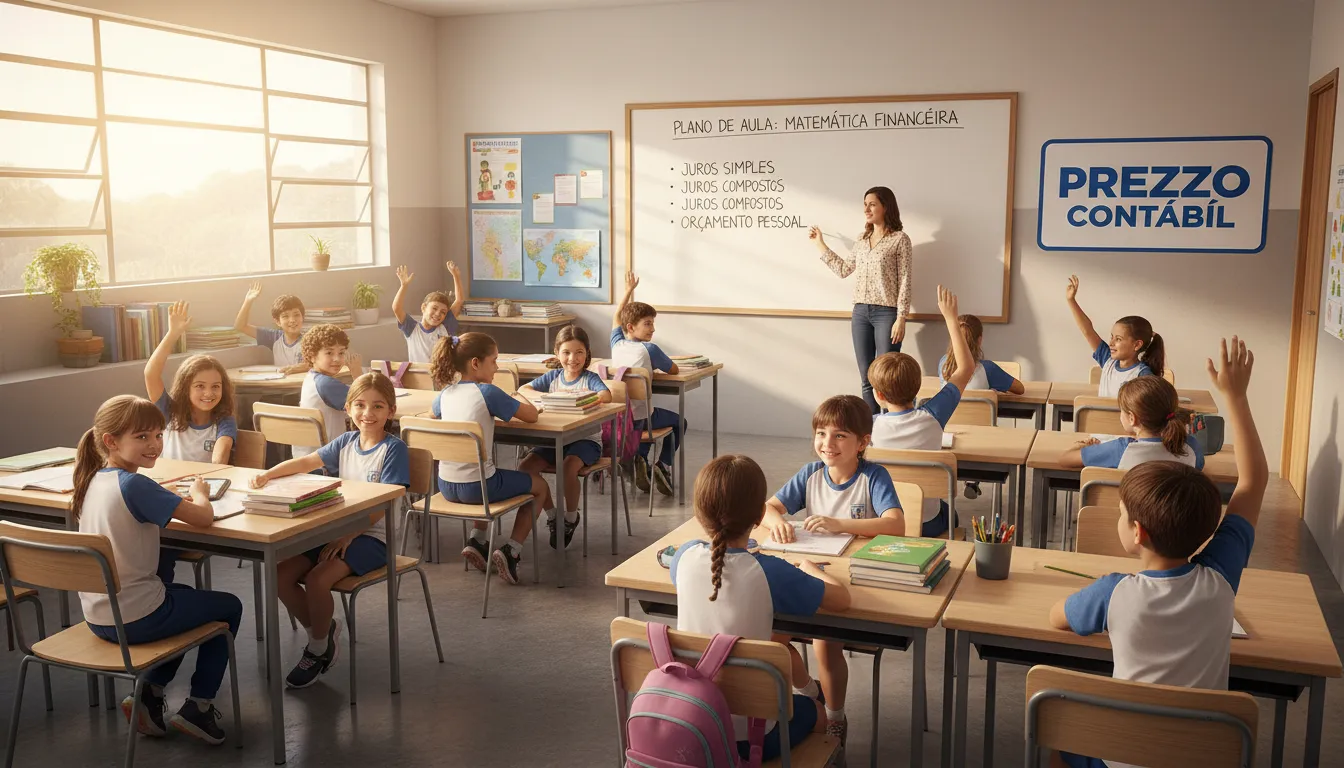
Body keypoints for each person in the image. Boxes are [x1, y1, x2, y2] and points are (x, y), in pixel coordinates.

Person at [1048, 337, 1266, 768]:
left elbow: (1058, 616)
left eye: (1121, 512)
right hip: (1206, 758)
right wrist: (1237, 398)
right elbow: (1254, 482)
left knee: (1062, 739)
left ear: (1138, 532)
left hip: (1122, 758)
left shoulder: (1113, 592)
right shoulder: (1221, 578)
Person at [72, 395, 242, 745]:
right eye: (142, 437)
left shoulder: (92, 479)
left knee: (186, 597)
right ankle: (198, 706)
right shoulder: (136, 485)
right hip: (136, 618)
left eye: (158, 435)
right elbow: (203, 517)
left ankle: (149, 694)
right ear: (111, 441)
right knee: (229, 607)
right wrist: (199, 492)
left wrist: (162, 495)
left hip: (99, 616)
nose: (154, 444)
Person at [670, 454, 849, 762]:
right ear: (758, 517)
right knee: (817, 711)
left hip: (693, 725)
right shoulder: (769, 572)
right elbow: (841, 600)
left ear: (699, 513)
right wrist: (809, 568)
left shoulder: (683, 557)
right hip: (751, 736)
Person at [760, 394, 903, 749]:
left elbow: (896, 525)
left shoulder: (873, 476)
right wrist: (777, 522)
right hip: (812, 572)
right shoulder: (810, 474)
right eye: (821, 433)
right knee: (772, 641)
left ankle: (835, 717)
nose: (828, 443)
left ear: (862, 442)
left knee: (824, 643)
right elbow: (767, 508)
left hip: (851, 580)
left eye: (840, 435)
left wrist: (840, 524)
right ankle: (812, 692)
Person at [248, 372, 407, 688]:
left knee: (318, 580)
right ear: (347, 408)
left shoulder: (394, 449)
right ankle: (322, 631)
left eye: (377, 406)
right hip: (336, 532)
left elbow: (384, 505)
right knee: (279, 575)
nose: (368, 413)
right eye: (360, 405)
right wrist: (269, 474)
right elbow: (306, 462)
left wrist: (348, 535)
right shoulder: (346, 442)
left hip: (374, 537)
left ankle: (317, 649)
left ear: (391, 411)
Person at [430, 332, 554, 584]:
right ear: (476, 363)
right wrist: (517, 396)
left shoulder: (445, 394)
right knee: (540, 486)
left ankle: (478, 539)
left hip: (446, 486)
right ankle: (512, 551)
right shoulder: (488, 392)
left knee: (485, 470)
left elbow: (434, 415)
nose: (497, 367)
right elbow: (531, 416)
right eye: (494, 361)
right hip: (478, 489)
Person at [144, 300, 238, 583]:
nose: (208, 393)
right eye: (199, 386)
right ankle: (154, 591)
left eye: (215, 387)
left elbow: (221, 455)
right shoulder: (169, 411)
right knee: (148, 540)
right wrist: (173, 334)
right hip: (167, 493)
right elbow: (150, 373)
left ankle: (160, 592)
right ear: (185, 388)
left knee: (162, 545)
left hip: (198, 499)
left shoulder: (224, 420)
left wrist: (206, 480)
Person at [869, 286, 974, 537]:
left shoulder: (868, 428)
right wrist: (951, 318)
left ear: (878, 395)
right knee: (950, 513)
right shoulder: (932, 416)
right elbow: (966, 368)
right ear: (918, 388)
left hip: (882, 523)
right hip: (927, 524)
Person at [809, 186, 914, 414]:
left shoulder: (900, 239)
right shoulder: (862, 239)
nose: (866, 209)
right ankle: (872, 427)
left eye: (872, 204)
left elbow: (905, 279)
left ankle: (891, 425)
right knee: (867, 378)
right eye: (865, 204)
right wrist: (820, 244)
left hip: (887, 313)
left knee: (886, 378)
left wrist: (901, 318)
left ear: (886, 207)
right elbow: (844, 269)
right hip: (860, 313)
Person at [518, 324, 611, 549]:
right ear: (557, 353)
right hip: (555, 439)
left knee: (568, 467)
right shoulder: (553, 377)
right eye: (566, 352)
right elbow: (523, 390)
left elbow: (606, 395)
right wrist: (553, 396)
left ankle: (570, 518)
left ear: (587, 353)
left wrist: (583, 397)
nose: (572, 358)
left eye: (579, 352)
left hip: (586, 440)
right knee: (525, 468)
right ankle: (552, 515)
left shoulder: (589, 378)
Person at [610, 270, 683, 497]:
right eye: (648, 324)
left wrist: (628, 291)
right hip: (642, 419)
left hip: (619, 418)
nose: (653, 328)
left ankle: (640, 459)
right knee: (679, 422)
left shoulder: (616, 344)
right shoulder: (649, 349)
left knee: (645, 419)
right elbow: (674, 369)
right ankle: (663, 465)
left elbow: (616, 317)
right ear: (631, 327)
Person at [938, 312, 1024, 498]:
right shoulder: (988, 369)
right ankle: (973, 480)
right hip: (982, 438)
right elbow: (1020, 388)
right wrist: (992, 390)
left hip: (950, 433)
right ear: (980, 340)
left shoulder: (943, 365)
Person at [1061, 376, 1204, 470]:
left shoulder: (1121, 449)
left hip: (1127, 509)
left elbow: (1065, 460)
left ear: (1132, 418)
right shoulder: (1191, 446)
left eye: (1121, 410)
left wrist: (1083, 445)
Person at [1065, 275, 1165, 397]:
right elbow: (1087, 330)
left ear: (1137, 345)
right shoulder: (1108, 360)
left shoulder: (1142, 376)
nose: (1111, 343)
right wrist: (1071, 300)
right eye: (1112, 337)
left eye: (1118, 339)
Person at [294, 324, 363, 458]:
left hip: (307, 456)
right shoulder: (326, 384)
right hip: (327, 458)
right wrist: (357, 373)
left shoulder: (311, 378)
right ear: (312, 356)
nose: (337, 359)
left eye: (341, 353)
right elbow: (367, 402)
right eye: (329, 353)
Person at [392, 262, 465, 363]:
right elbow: (396, 308)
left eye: (443, 312)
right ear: (423, 307)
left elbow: (459, 300)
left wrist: (456, 276)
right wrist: (404, 286)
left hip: (440, 372)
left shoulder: (445, 326)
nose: (438, 314)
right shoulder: (412, 328)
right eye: (434, 308)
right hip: (418, 372)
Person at [232, 282, 308, 373]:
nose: (292, 320)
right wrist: (248, 301)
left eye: (296, 315)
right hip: (280, 380)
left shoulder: (309, 340)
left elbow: (313, 364)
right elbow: (240, 326)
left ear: (302, 317)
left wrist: (297, 368)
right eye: (285, 316)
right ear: (277, 321)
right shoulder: (273, 337)